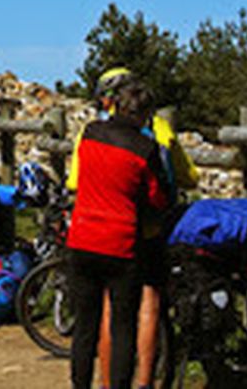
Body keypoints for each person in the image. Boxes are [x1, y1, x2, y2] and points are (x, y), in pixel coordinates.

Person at [72, 67, 200, 389]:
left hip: (83, 236)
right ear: (145, 113)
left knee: (85, 326)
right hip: (122, 241)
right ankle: (131, 383)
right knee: (125, 322)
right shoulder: (147, 147)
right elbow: (157, 197)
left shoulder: (89, 133)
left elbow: (77, 178)